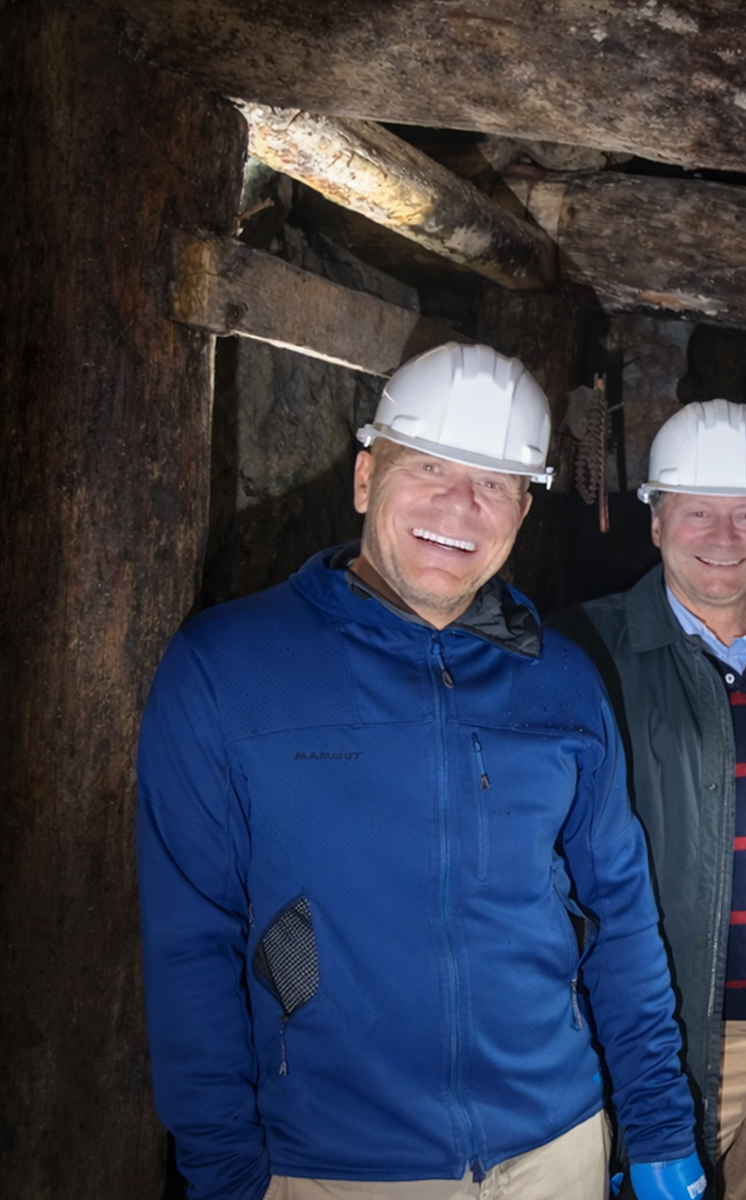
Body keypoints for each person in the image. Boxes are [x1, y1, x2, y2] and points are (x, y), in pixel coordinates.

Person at [137, 343, 705, 1200]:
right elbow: (192, 940)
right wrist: (222, 1173)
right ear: (365, 480)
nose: (460, 506)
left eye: (493, 483)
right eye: (429, 467)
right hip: (333, 1165)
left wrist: (658, 1121)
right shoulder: (227, 667)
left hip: (557, 1146)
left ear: (522, 508)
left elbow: (619, 914)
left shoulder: (562, 680)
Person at [550, 400, 746, 1200]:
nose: (724, 539)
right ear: (655, 522)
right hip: (674, 1040)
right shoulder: (582, 653)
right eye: (697, 514)